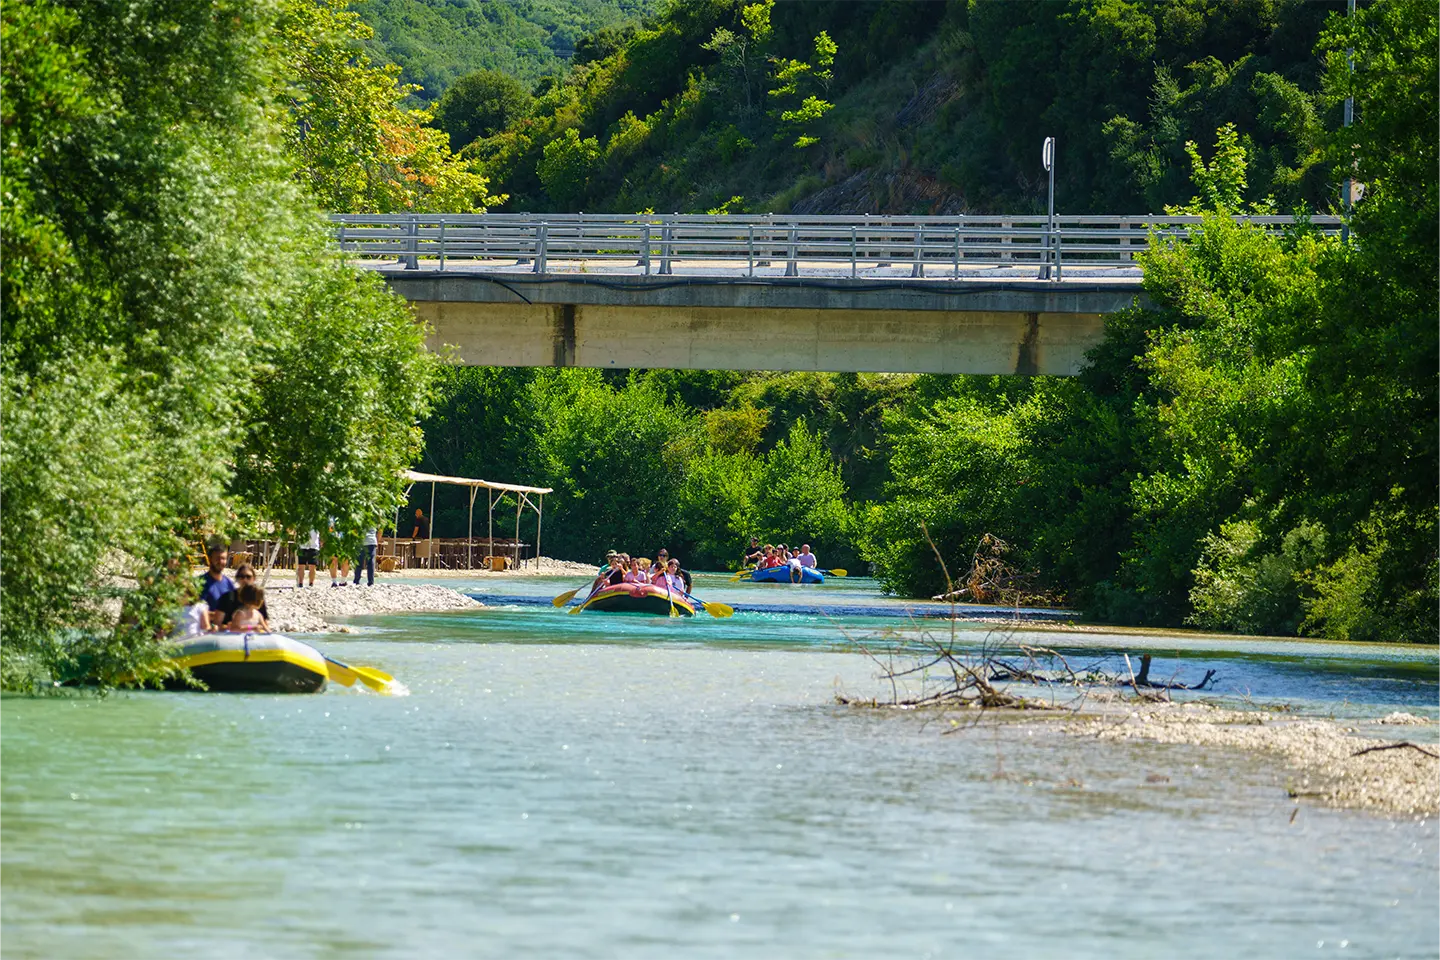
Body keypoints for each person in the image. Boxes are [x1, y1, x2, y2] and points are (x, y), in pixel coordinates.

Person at [198, 545, 235, 630]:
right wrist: (218, 616)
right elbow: (194, 611)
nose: (220, 561)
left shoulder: (229, 584)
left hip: (227, 630)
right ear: (210, 559)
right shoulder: (200, 583)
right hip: (207, 630)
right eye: (217, 558)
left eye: (223, 558)